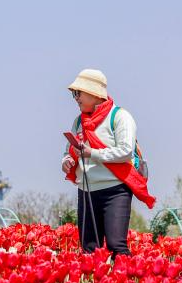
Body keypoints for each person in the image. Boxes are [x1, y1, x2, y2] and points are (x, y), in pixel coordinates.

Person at [61, 68, 154, 257]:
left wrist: (92, 153)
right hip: (86, 191)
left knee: (116, 245)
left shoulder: (120, 117)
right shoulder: (78, 122)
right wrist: (67, 160)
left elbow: (125, 151)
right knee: (89, 250)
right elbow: (69, 151)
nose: (76, 98)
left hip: (115, 190)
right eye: (74, 94)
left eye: (78, 93)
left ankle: (128, 276)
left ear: (94, 92)